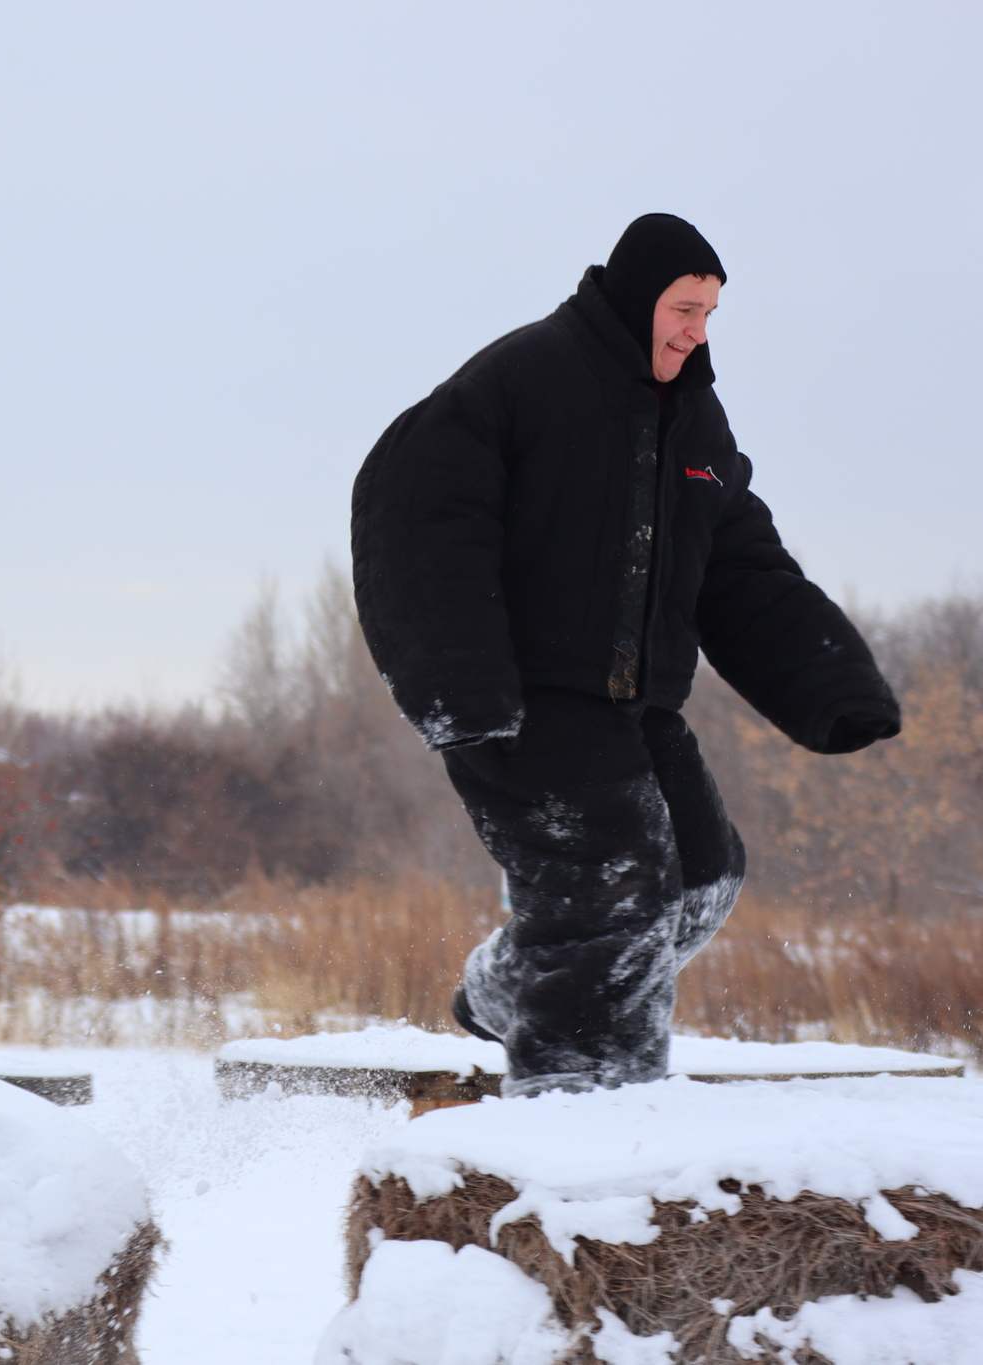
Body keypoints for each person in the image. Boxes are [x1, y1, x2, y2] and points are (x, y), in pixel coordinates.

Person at [351, 214, 901, 1095]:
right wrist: (460, 690)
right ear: (638, 299)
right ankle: (583, 1131)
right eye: (685, 309)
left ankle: (508, 990)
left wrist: (832, 683)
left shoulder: (695, 423)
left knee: (703, 876)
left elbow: (743, 565)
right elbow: (416, 517)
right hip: (523, 701)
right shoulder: (523, 379)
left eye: (711, 315)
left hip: (636, 706)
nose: (697, 331)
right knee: (616, 893)